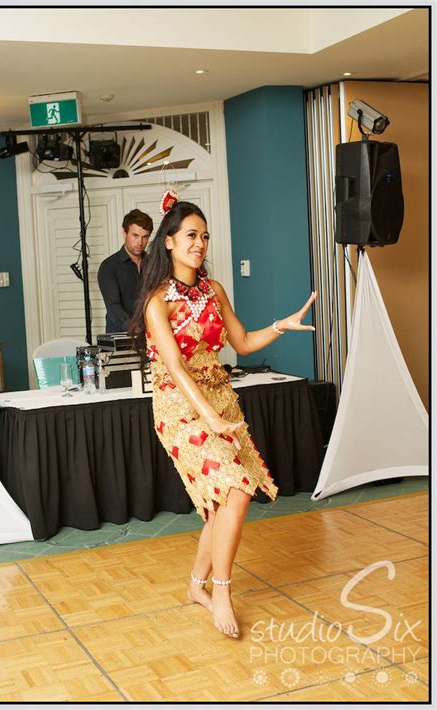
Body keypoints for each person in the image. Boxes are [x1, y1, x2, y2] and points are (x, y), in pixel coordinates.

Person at [130, 196, 318, 639]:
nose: (200, 244)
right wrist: (208, 418)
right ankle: (222, 591)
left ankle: (197, 587)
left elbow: (243, 343)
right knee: (236, 488)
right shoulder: (158, 302)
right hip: (180, 408)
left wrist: (279, 326)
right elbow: (175, 367)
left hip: (222, 401)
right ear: (170, 242)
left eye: (205, 236)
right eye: (192, 236)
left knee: (220, 503)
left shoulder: (214, 291)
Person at [98, 209, 153, 333]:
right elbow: (113, 307)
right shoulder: (108, 267)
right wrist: (136, 329)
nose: (140, 242)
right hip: (121, 337)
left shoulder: (154, 264)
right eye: (135, 236)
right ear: (124, 232)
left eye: (145, 237)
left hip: (151, 336)